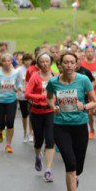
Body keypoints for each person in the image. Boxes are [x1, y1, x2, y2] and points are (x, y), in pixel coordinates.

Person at [46, 51, 96, 191]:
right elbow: (49, 98)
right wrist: (53, 106)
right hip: (61, 126)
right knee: (71, 164)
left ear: (76, 64)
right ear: (60, 65)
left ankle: (75, 178)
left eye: (71, 62)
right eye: (65, 62)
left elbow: (94, 102)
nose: (68, 65)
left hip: (80, 126)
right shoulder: (53, 82)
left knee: (78, 167)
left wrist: (84, 106)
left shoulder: (83, 80)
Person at [25, 53, 56, 182]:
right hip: (36, 112)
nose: (45, 64)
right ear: (38, 64)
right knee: (38, 140)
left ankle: (48, 170)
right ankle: (38, 156)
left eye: (47, 61)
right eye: (42, 61)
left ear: (50, 63)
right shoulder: (35, 77)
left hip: (50, 111)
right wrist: (42, 97)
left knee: (50, 141)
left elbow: (59, 90)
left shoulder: (55, 76)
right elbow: (27, 94)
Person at [0, 53, 22, 153]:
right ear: (1, 63)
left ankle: (8, 144)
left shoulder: (16, 73)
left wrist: (20, 88)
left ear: (11, 61)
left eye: (9, 61)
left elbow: (18, 84)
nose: (7, 63)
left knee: (10, 123)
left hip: (11, 100)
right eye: (4, 61)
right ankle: (0, 130)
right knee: (1, 123)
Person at [17, 53, 34, 143]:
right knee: (24, 115)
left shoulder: (33, 69)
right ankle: (25, 133)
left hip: (32, 96)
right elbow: (17, 81)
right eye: (26, 60)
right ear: (23, 61)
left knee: (31, 114)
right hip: (22, 95)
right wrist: (21, 88)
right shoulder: (19, 70)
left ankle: (31, 133)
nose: (27, 62)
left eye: (29, 60)